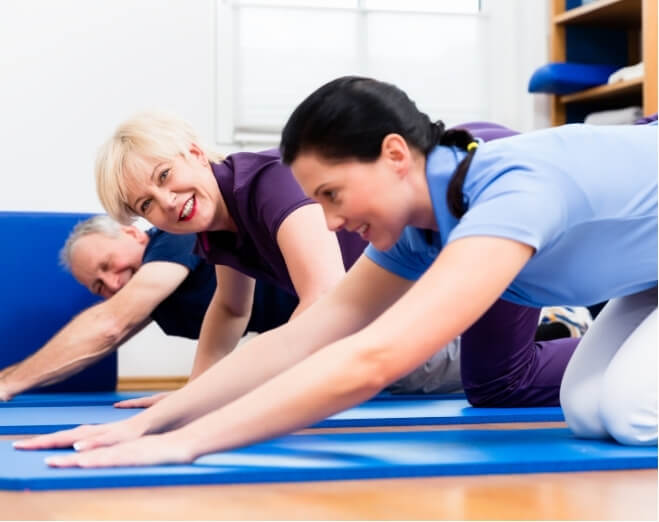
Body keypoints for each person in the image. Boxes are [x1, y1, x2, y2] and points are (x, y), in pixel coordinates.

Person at [18, 85, 622, 468]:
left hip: (481, 232)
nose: (164, 201)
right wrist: (179, 407)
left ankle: (583, 324)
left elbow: (338, 321)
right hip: (454, 263)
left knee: (539, 388)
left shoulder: (270, 185)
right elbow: (240, 315)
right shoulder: (217, 232)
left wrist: (195, 430)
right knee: (504, 383)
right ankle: (596, 326)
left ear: (196, 153)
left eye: (165, 176)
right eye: (146, 203)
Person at [0, 215, 298, 403]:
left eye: (106, 265)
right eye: (98, 286)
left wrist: (10, 384)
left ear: (132, 234)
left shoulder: (175, 235)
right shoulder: (151, 290)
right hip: (303, 334)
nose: (112, 284)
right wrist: (8, 377)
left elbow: (108, 325)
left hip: (325, 305)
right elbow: (101, 342)